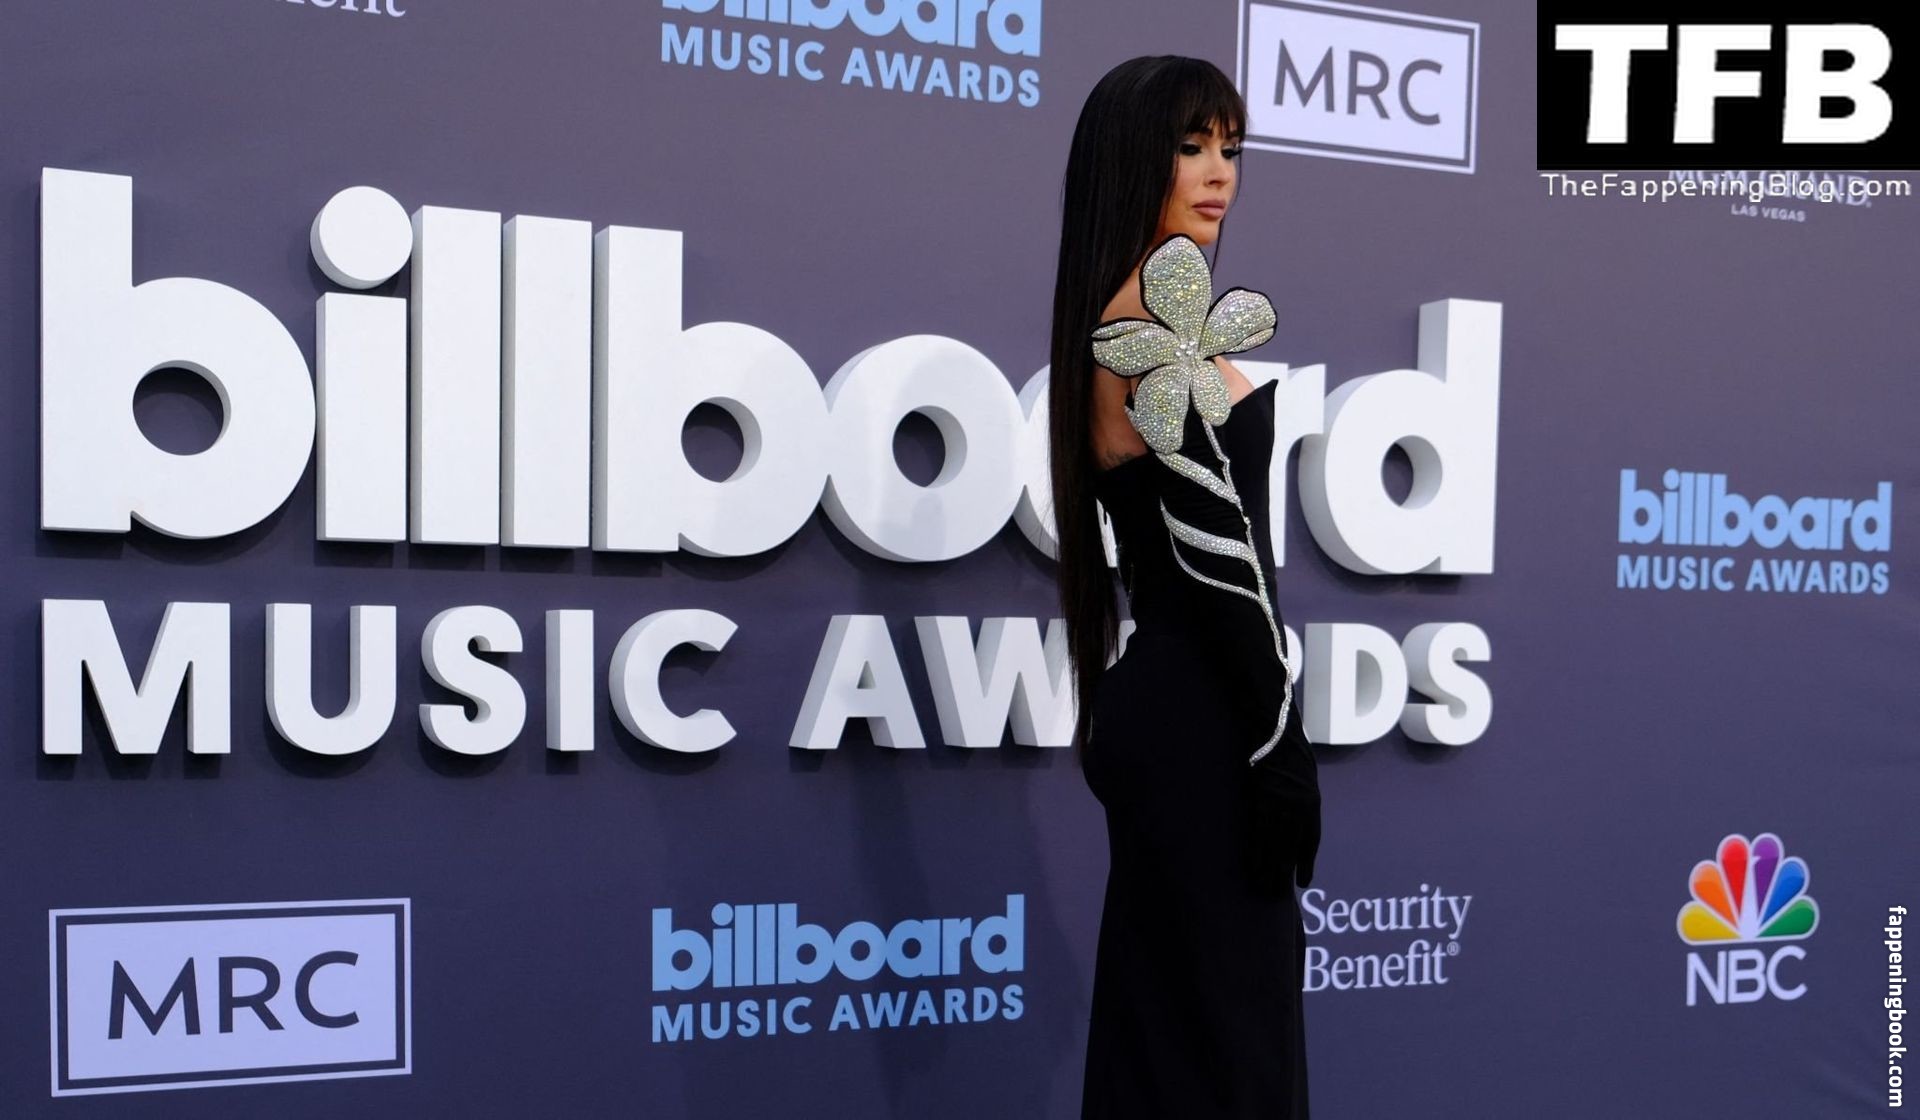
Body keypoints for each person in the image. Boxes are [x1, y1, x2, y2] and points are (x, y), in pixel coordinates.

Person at [1047, 56, 1323, 1118]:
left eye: (1231, 149)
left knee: (1180, 1046)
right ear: (1133, 159)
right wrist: (1278, 741)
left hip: (1181, 713)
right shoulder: (1146, 329)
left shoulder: (1123, 316)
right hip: (1206, 722)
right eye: (1191, 146)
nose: (1220, 174)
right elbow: (1220, 565)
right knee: (1223, 1060)